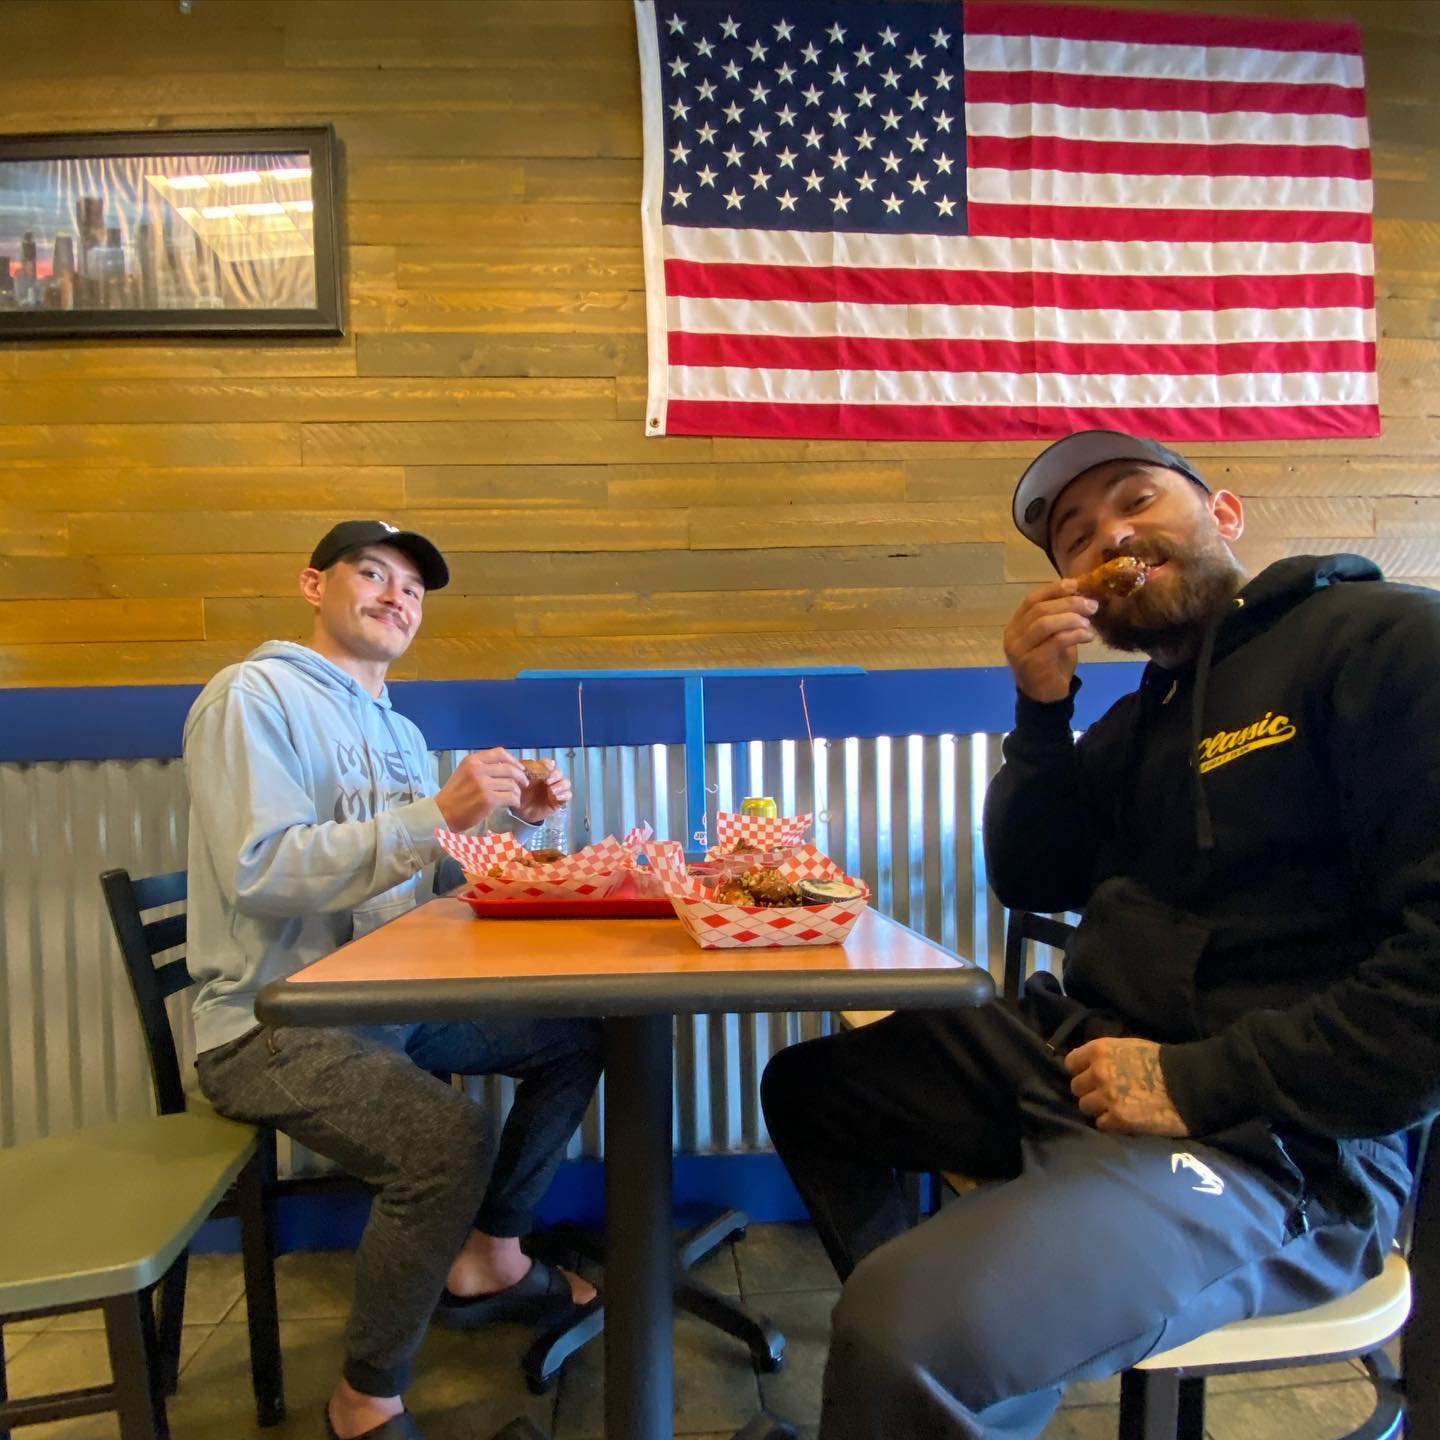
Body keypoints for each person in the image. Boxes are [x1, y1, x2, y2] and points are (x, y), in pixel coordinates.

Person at [760, 430, 1440, 1439]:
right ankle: (982, 1375)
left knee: (902, 1328)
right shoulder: (1140, 725)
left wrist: (1197, 1080)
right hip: (1087, 1059)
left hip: (1278, 1136)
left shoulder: (1383, 640)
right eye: (1075, 536)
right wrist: (1042, 714)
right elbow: (1030, 876)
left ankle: (933, 1351)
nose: (1109, 536)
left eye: (1136, 500)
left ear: (1225, 513)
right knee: (811, 1089)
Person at [184, 519, 604, 1440]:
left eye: (411, 588)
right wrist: (436, 810)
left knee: (578, 1035)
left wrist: (516, 825)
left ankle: (492, 1255)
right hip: (271, 1022)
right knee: (447, 1140)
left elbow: (423, 879)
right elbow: (260, 871)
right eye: (372, 574)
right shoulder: (251, 696)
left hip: (386, 1003)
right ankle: (364, 1401)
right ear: (313, 585)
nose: (395, 597)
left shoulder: (400, 730)